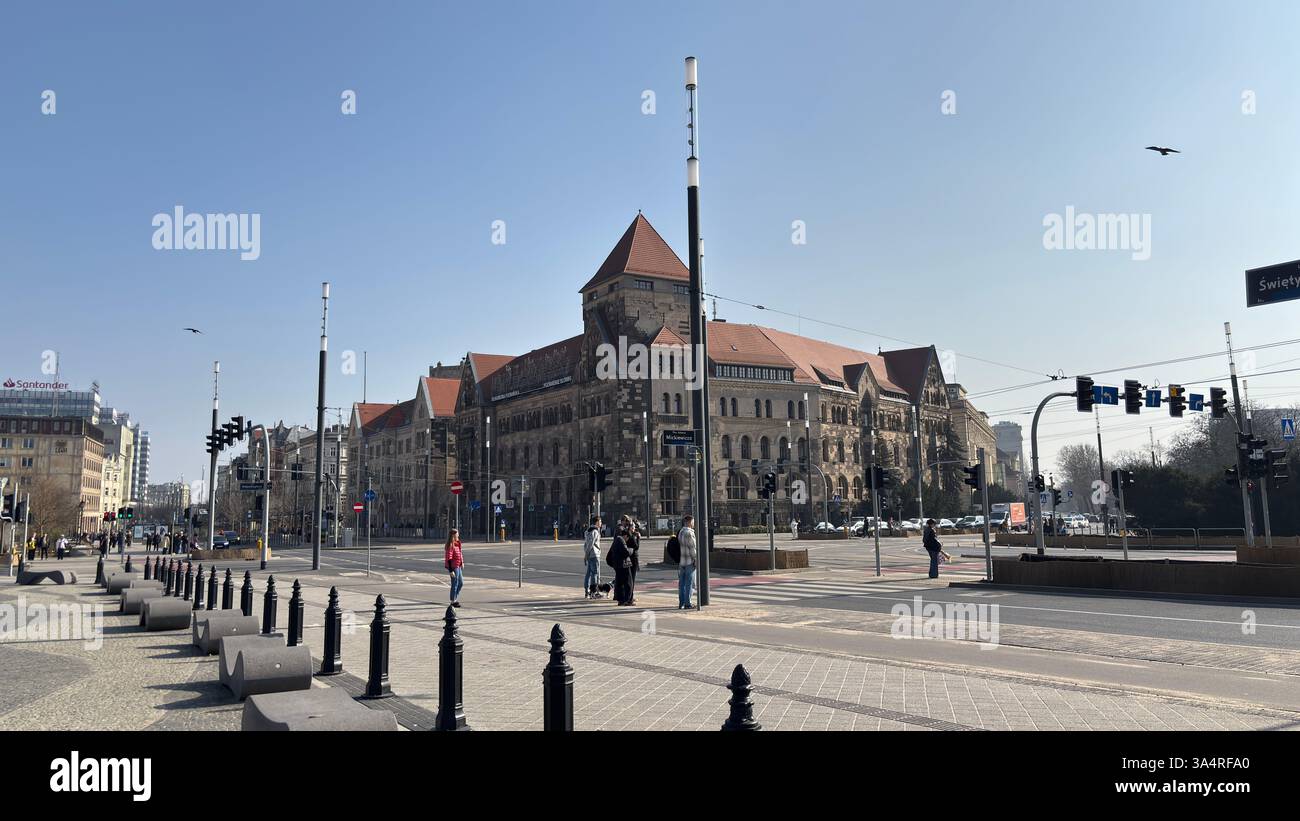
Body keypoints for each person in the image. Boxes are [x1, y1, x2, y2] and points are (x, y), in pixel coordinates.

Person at [606, 525, 632, 605]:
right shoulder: (621, 540)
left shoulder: (616, 541)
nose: (627, 540)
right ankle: (626, 600)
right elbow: (626, 552)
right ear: (625, 536)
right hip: (623, 565)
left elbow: (610, 555)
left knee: (619, 583)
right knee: (628, 583)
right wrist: (631, 550)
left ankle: (620, 600)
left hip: (617, 565)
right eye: (627, 538)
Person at [676, 514, 698, 609]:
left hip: (682, 561)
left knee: (682, 584)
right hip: (689, 561)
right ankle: (688, 603)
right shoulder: (689, 533)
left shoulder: (680, 532)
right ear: (689, 522)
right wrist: (695, 559)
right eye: (692, 522)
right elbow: (692, 548)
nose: (693, 524)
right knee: (690, 583)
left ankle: (681, 603)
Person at [621, 515, 641, 605]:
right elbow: (636, 547)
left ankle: (627, 597)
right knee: (631, 580)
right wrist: (638, 538)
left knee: (628, 579)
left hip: (628, 559)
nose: (634, 529)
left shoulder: (626, 535)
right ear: (630, 527)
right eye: (633, 527)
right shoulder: (632, 537)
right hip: (633, 559)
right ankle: (630, 598)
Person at [582, 516, 602, 598]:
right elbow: (590, 544)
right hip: (594, 554)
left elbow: (586, 544)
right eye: (600, 521)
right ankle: (594, 591)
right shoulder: (595, 531)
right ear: (597, 522)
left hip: (590, 555)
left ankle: (587, 590)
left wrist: (586, 554)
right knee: (595, 573)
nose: (601, 523)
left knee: (588, 573)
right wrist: (586, 555)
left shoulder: (587, 531)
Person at [444, 527, 464, 608]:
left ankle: (455, 598)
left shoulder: (457, 543)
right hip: (453, 567)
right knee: (455, 584)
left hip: (458, 566)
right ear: (453, 536)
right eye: (457, 535)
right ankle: (453, 601)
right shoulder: (450, 545)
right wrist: (450, 570)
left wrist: (462, 562)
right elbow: (448, 558)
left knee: (461, 583)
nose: (458, 536)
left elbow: (460, 553)